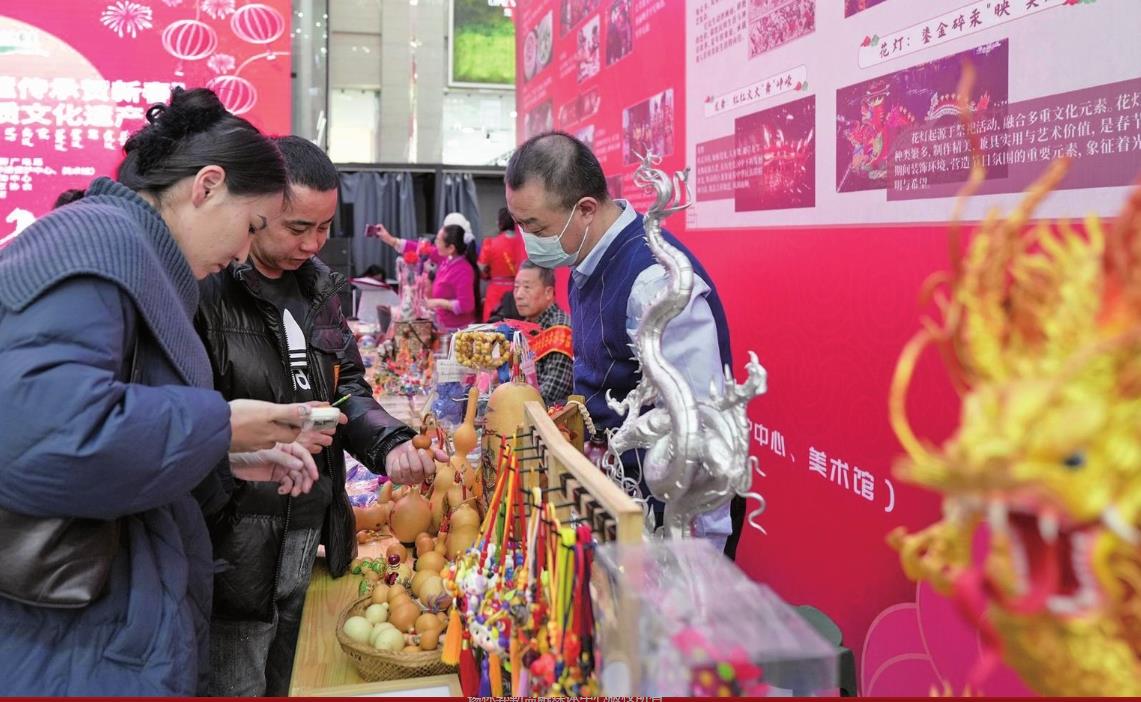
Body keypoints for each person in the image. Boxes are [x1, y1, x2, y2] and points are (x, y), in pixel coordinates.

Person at [0, 87, 320, 695]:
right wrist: (220, 425)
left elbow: (111, 418)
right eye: (251, 225)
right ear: (207, 186)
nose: (243, 251)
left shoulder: (133, 251)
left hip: (109, 619)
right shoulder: (96, 241)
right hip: (69, 638)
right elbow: (44, 435)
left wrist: (223, 455)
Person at [195, 136, 443, 697]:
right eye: (297, 227)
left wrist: (390, 442)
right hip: (236, 539)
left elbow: (345, 388)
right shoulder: (210, 288)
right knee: (236, 678)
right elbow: (195, 420)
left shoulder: (318, 289)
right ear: (256, 210)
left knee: (291, 677)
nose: (311, 243)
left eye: (325, 228)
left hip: (310, 528)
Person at [504, 131, 744, 556]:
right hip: (614, 494)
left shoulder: (655, 282)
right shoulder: (584, 258)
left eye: (535, 227)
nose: (527, 239)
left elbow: (700, 433)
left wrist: (696, 557)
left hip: (667, 515)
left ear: (585, 210)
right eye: (520, 224)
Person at [374, 219, 481, 330]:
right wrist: (390, 239)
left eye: (438, 240)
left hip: (458, 330)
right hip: (442, 325)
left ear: (451, 248)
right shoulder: (447, 258)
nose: (435, 243)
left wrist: (437, 302)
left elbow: (466, 305)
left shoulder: (463, 270)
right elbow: (420, 249)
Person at [513, 260, 574, 407]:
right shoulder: (524, 327)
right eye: (516, 287)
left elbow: (552, 392)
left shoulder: (560, 327)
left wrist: (510, 403)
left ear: (548, 293)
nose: (519, 295)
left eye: (527, 287)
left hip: (550, 414)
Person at [477, 207, 527, 321]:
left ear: (500, 223)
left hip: (496, 290)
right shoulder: (524, 243)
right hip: (518, 289)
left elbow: (481, 268)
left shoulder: (490, 243)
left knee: (492, 324)